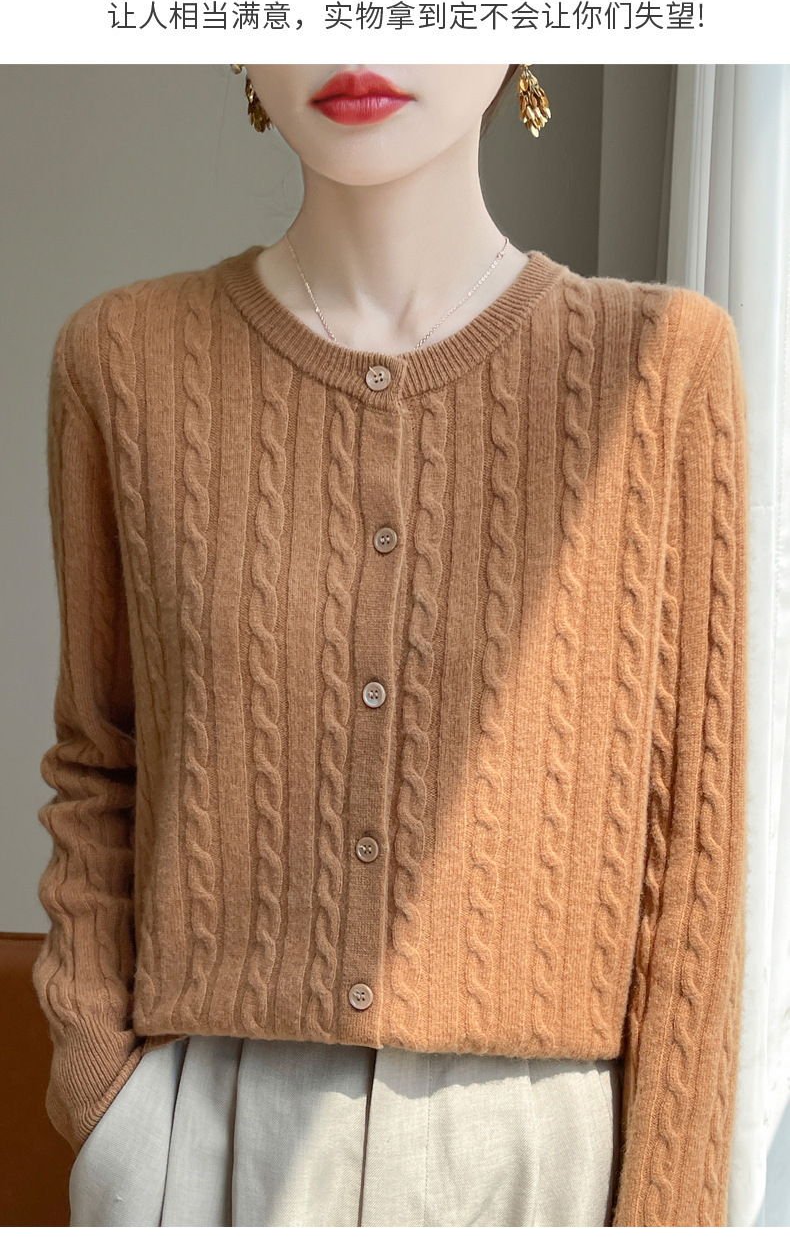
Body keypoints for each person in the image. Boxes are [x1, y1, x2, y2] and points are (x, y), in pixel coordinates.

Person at [32, 64, 748, 1227]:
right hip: (207, 1138)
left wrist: (669, 1219)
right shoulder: (122, 362)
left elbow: (694, 858)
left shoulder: (662, 368)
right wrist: (105, 1098)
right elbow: (99, 758)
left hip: (546, 1166)